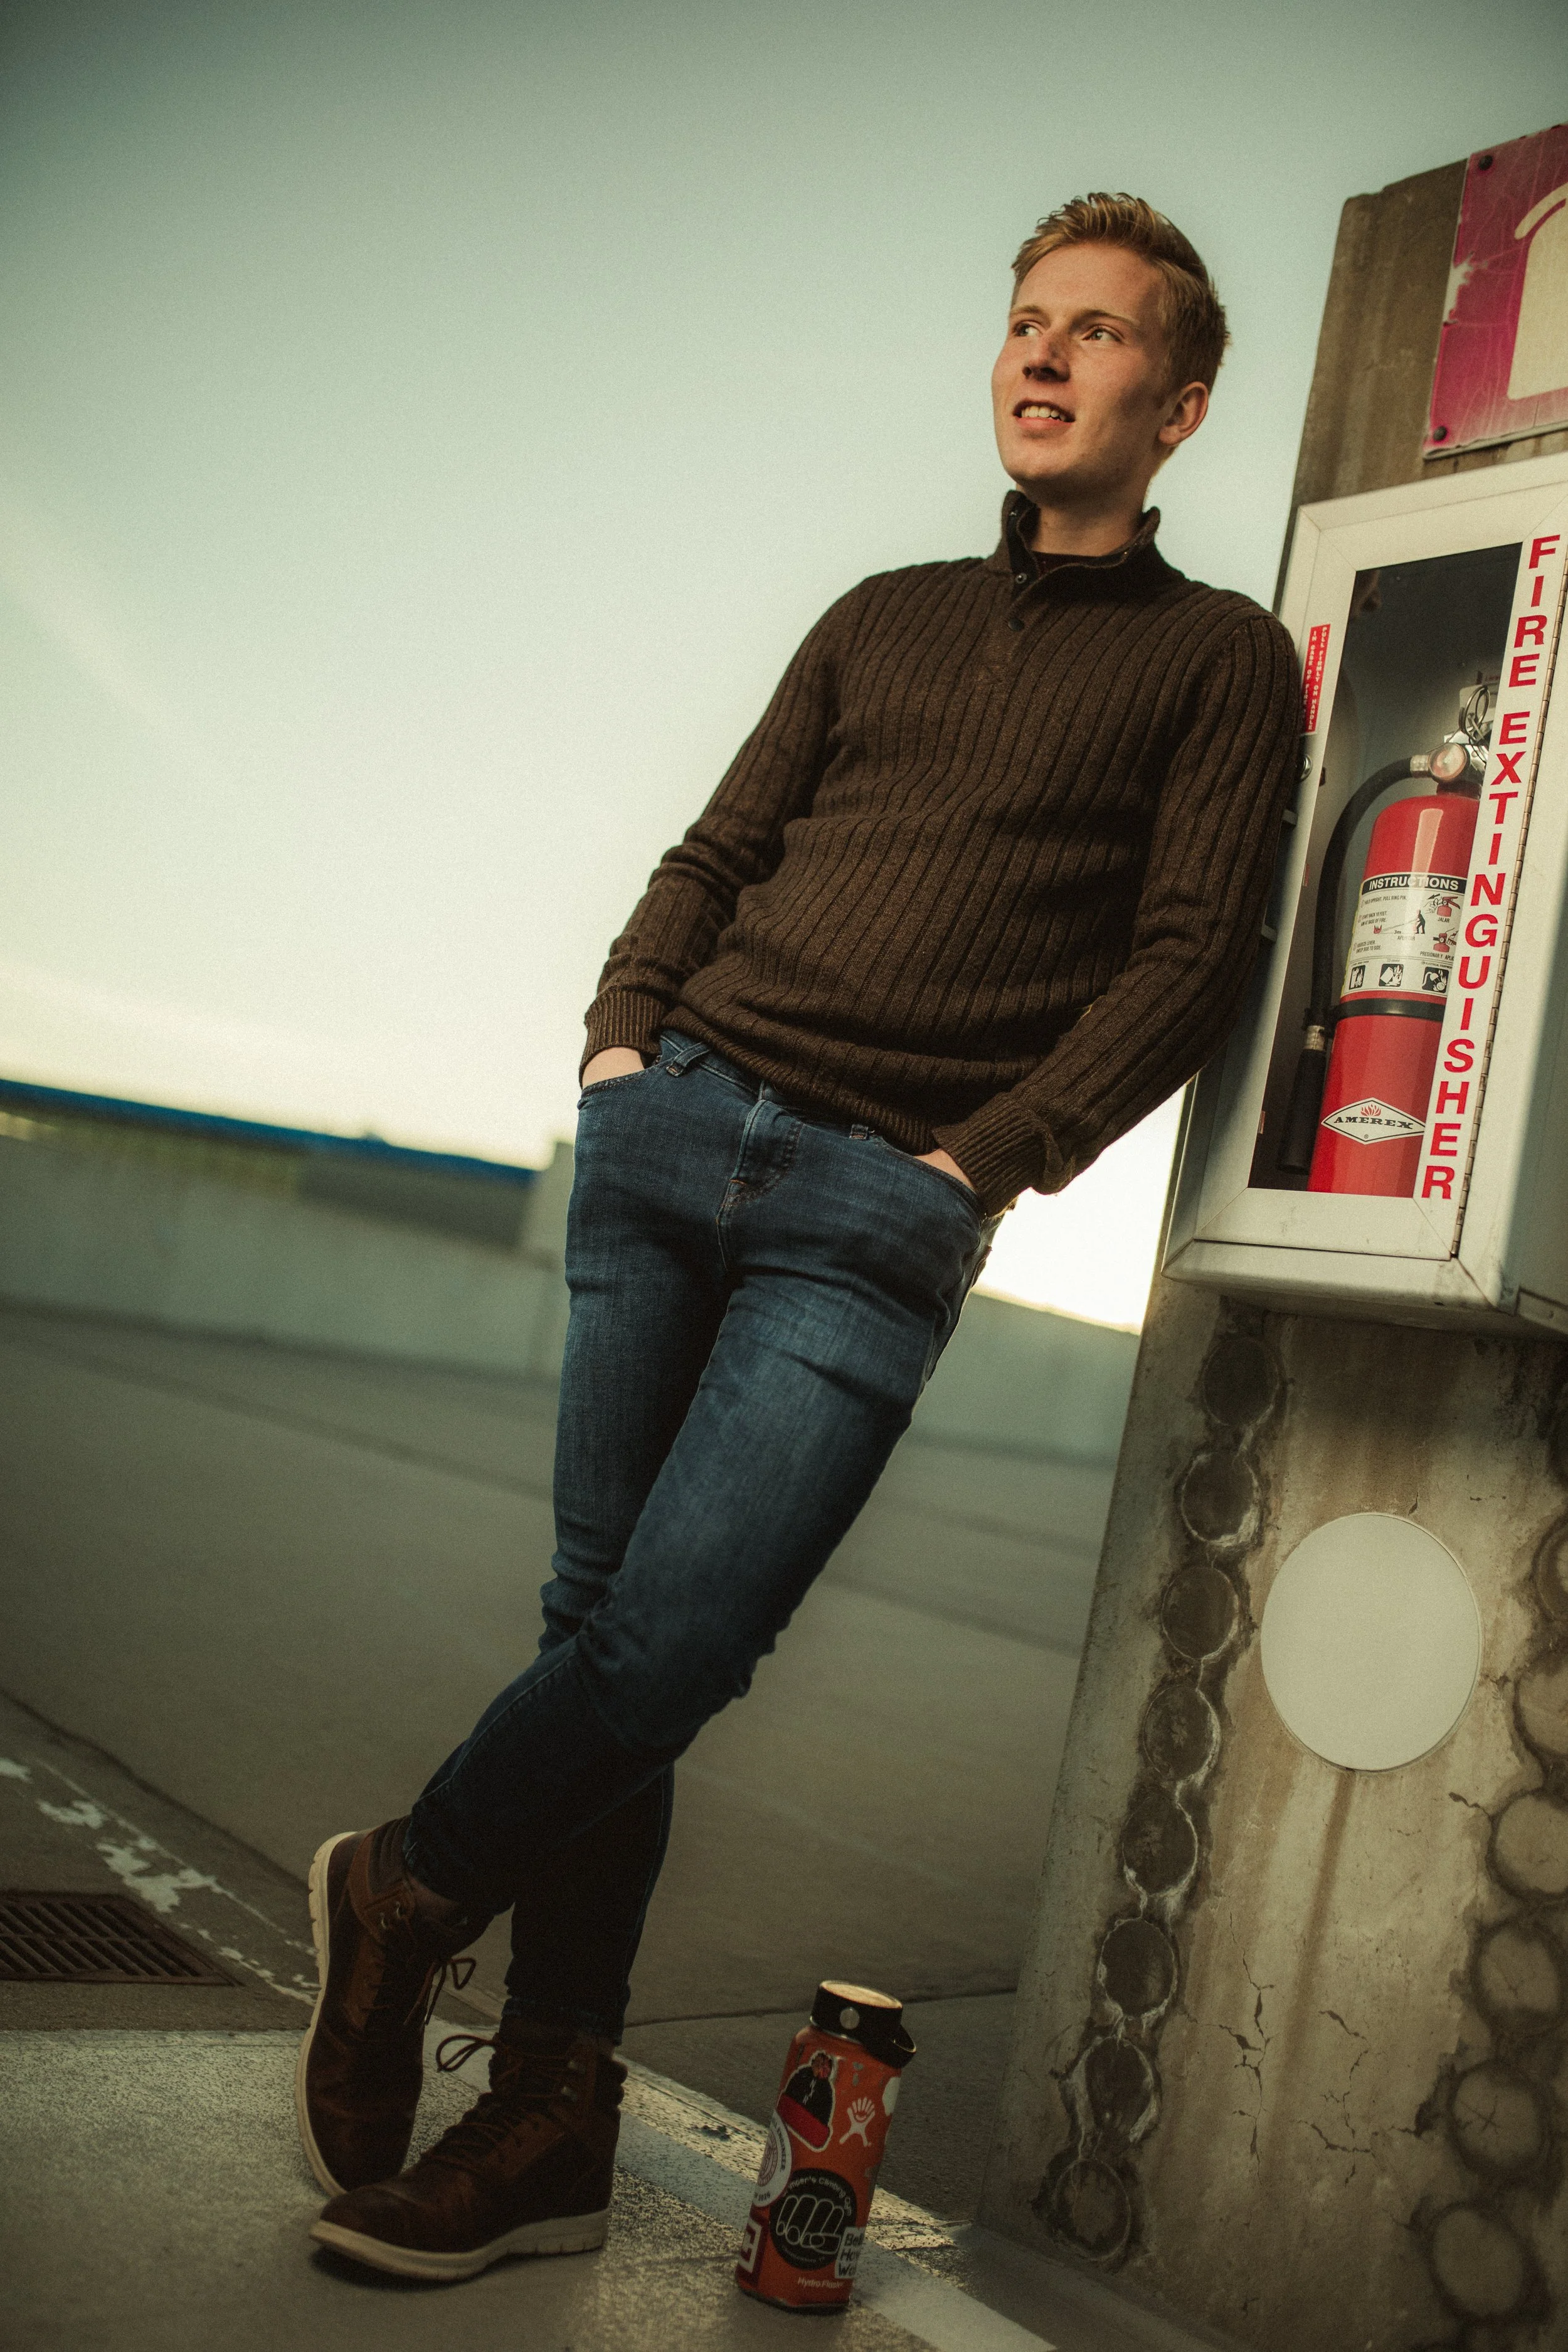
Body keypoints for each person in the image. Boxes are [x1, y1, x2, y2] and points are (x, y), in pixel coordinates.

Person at [297, 193, 1300, 2282]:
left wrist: (979, 1160)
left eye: (1097, 333)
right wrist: (615, 1045)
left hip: (879, 1200)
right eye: (1024, 321)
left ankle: (408, 1879)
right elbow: (721, 845)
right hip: (675, 1132)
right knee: (604, 1633)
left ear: (1177, 402)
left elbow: (1189, 958)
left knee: (673, 1641)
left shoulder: (1216, 664)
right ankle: (552, 2114)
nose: (1040, 355)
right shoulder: (878, 609)